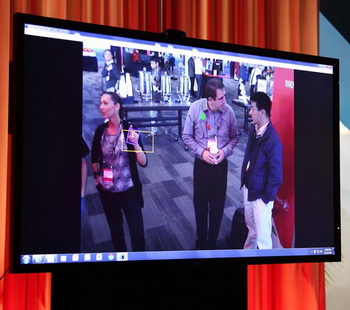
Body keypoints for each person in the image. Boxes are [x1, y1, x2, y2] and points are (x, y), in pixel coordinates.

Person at [183, 78, 239, 250]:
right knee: (200, 205)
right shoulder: (196, 109)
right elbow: (186, 136)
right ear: (210, 100)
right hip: (201, 166)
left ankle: (212, 242)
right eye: (221, 98)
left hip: (220, 166)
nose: (225, 101)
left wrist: (224, 152)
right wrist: (202, 152)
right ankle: (201, 241)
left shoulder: (228, 112)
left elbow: (235, 137)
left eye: (224, 97)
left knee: (217, 206)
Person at [91, 92, 147, 252]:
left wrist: (136, 145)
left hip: (128, 190)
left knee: (137, 232)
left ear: (117, 106)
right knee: (116, 231)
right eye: (100, 102)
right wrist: (97, 177)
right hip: (107, 191)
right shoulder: (100, 131)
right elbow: (94, 157)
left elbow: (143, 162)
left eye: (105, 103)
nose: (101, 107)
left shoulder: (129, 130)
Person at [240, 91, 282, 249]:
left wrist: (266, 199)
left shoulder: (273, 140)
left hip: (261, 197)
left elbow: (276, 175)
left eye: (252, 108)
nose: (250, 112)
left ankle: (265, 268)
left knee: (263, 240)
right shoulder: (254, 129)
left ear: (262, 112)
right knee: (251, 230)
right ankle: (248, 255)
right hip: (249, 188)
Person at [149, 56, 163, 134]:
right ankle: (154, 131)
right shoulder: (152, 71)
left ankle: (156, 131)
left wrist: (155, 83)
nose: (151, 65)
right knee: (154, 114)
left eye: (153, 63)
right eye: (151, 63)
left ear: (157, 64)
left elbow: (164, 84)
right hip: (154, 95)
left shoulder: (161, 72)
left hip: (159, 95)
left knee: (155, 114)